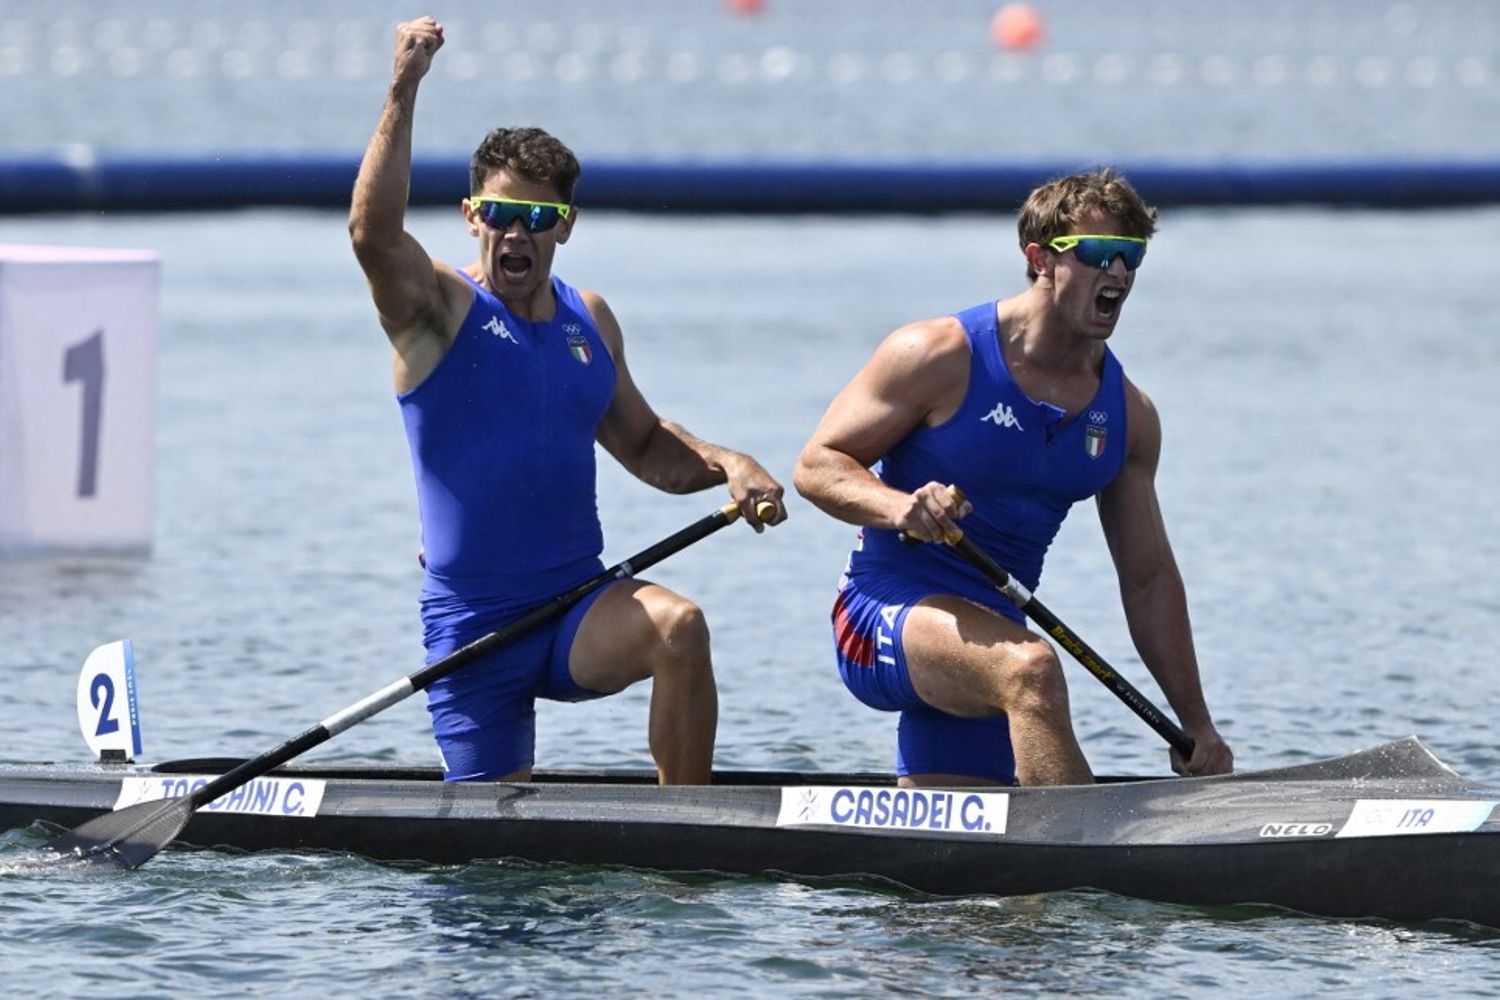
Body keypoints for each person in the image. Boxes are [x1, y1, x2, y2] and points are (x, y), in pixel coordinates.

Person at [349, 16, 784, 784]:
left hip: (577, 608)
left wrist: (730, 464)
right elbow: (371, 234)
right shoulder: (438, 314)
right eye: (503, 215)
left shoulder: (593, 319)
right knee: (493, 884)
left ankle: (685, 834)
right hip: (475, 628)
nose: (518, 235)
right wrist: (403, 88)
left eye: (539, 220)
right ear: (472, 216)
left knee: (680, 627)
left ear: (565, 228)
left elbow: (646, 445)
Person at [793, 167, 1232, 788]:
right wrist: (899, 508)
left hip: (990, 640)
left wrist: (1198, 724)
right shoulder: (939, 354)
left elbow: (1148, 578)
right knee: (1034, 671)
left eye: (1131, 258)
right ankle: (1088, 873)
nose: (1118, 274)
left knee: (957, 864)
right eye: (1098, 254)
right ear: (1040, 259)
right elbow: (817, 464)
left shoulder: (1129, 416)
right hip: (879, 615)